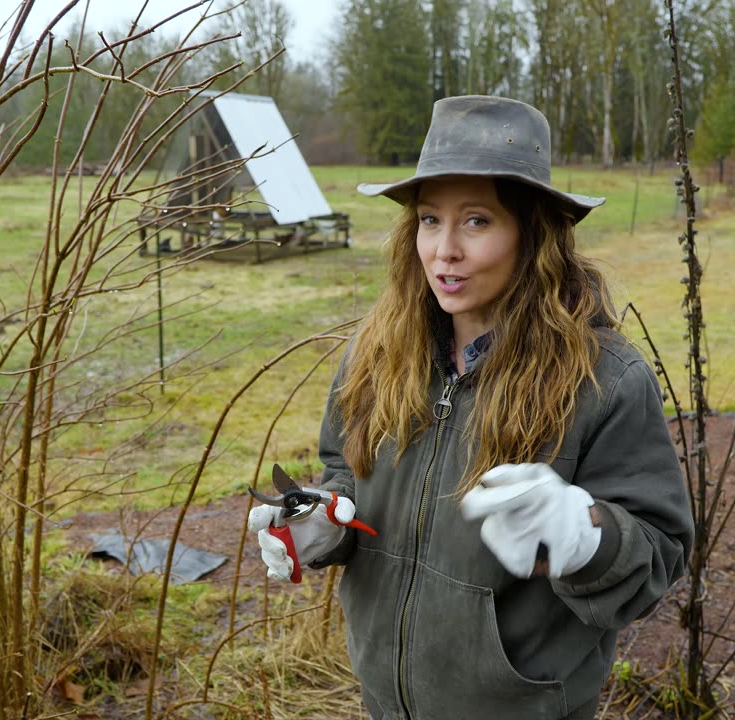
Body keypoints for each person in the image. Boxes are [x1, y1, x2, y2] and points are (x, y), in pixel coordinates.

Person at [247, 95, 694, 720]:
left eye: (477, 221)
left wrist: (583, 533)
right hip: (385, 698)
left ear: (532, 234)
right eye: (430, 220)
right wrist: (323, 521)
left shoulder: (603, 379)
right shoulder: (376, 354)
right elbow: (347, 473)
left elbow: (658, 552)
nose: (444, 251)